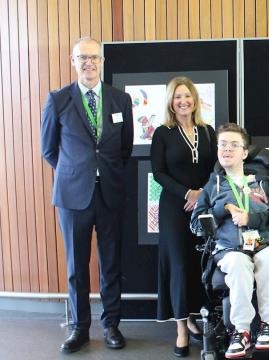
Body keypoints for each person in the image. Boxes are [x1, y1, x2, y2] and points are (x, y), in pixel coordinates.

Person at [40, 37, 133, 353]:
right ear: (73, 61)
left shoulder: (121, 100)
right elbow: (49, 150)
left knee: (111, 264)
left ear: (102, 61)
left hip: (110, 192)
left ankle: (111, 325)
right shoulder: (58, 100)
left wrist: (101, 171)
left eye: (93, 57)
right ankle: (79, 328)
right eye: (82, 58)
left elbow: (125, 148)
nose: (88, 63)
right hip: (73, 196)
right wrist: (75, 171)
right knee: (76, 266)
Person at [190, 123, 269, 359]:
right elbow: (196, 225)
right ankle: (241, 331)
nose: (227, 149)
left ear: (244, 153)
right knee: (238, 264)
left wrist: (252, 218)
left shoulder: (264, 183)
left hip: (267, 244)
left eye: (233, 145)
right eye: (223, 144)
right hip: (231, 249)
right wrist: (220, 209)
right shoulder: (212, 187)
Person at [151, 77, 217, 357]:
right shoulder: (162, 133)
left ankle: (193, 317)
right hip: (174, 208)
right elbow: (159, 173)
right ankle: (180, 328)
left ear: (194, 100)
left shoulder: (208, 131)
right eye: (177, 97)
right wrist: (187, 193)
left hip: (203, 205)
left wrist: (201, 194)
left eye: (187, 96)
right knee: (178, 265)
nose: (183, 101)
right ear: (170, 101)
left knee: (199, 263)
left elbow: (217, 166)